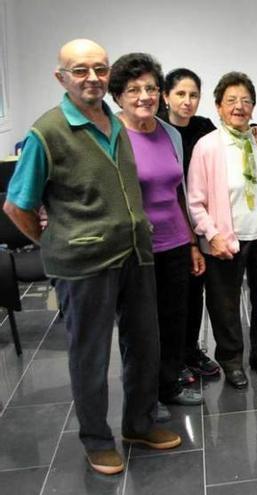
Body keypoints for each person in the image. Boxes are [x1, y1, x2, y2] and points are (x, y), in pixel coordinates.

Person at [2, 39, 181, 475]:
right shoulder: (48, 132)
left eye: (99, 68)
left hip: (134, 256)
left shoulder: (114, 124)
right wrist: (54, 241)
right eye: (80, 70)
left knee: (145, 344)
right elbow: (16, 205)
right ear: (61, 77)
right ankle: (97, 440)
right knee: (91, 355)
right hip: (83, 265)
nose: (92, 78)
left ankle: (138, 424)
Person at [108, 53, 204, 407]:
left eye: (150, 88)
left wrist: (192, 243)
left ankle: (169, 386)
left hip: (176, 242)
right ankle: (143, 399)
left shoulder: (170, 133)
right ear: (117, 96)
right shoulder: (112, 135)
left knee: (173, 320)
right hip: (134, 248)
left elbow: (177, 190)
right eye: (133, 89)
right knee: (139, 328)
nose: (144, 96)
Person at [188, 71, 257, 389]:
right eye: (231, 100)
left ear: (253, 107)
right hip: (224, 241)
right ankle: (231, 359)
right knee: (224, 304)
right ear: (218, 107)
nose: (239, 106)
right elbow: (194, 201)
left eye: (246, 100)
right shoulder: (207, 147)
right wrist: (211, 234)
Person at [161, 68, 222, 381]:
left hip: (197, 220)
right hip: (168, 221)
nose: (187, 101)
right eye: (180, 94)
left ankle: (190, 349)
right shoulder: (156, 128)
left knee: (194, 290)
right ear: (166, 96)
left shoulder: (203, 127)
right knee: (171, 298)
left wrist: (255, 129)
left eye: (193, 95)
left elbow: (229, 137)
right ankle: (172, 359)